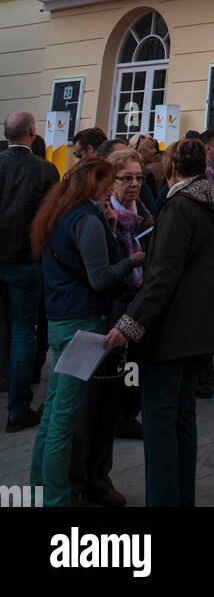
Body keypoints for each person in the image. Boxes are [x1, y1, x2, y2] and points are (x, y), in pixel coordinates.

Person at [103, 139, 214, 507]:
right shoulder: (211, 202)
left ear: (171, 168)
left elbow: (163, 275)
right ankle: (180, 497)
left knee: (161, 421)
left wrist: (130, 324)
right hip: (197, 328)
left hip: (172, 329)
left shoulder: (180, 205)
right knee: (181, 417)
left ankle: (164, 498)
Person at [30, 158, 143, 507]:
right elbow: (101, 278)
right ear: (94, 183)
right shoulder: (85, 218)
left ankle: (39, 492)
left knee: (53, 417)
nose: (111, 190)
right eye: (109, 182)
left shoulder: (59, 212)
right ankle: (56, 499)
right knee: (64, 418)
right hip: (83, 324)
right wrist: (131, 261)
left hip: (62, 319)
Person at [0, 111, 59, 433]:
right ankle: (18, 408)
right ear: (32, 133)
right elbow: (54, 216)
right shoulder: (45, 170)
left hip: (10, 258)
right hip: (27, 261)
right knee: (25, 331)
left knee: (15, 330)